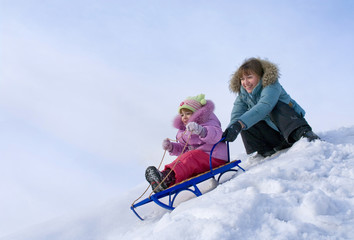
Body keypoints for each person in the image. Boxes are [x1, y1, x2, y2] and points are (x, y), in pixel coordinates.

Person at [222, 58, 319, 157]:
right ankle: (264, 149)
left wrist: (240, 123)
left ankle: (304, 134)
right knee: (243, 119)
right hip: (277, 138)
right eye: (242, 79)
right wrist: (231, 129)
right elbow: (236, 114)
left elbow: (265, 106)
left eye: (249, 77)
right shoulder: (243, 95)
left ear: (260, 76)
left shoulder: (271, 86)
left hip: (291, 128)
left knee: (271, 107)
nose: (245, 82)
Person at [145, 94, 228, 193]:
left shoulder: (208, 121)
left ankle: (166, 177)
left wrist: (201, 131)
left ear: (198, 113)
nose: (184, 117)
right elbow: (184, 149)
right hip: (200, 160)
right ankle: (164, 180)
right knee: (185, 159)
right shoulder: (184, 131)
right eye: (182, 115)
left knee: (190, 157)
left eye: (188, 113)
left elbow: (216, 134)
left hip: (214, 156)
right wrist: (171, 147)